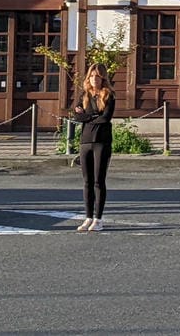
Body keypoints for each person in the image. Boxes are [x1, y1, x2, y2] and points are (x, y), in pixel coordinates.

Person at [73, 62, 115, 232]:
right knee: (87, 181)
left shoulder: (109, 95)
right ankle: (88, 217)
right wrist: (92, 115)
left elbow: (105, 118)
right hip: (86, 141)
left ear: (103, 78)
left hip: (102, 142)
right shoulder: (84, 95)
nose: (94, 79)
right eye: (91, 76)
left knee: (99, 181)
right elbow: (76, 116)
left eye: (97, 76)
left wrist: (87, 116)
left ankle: (98, 219)